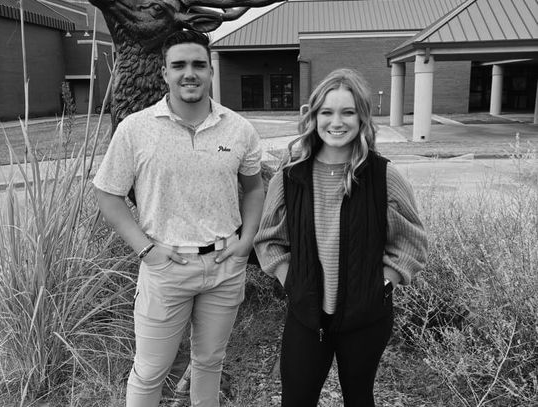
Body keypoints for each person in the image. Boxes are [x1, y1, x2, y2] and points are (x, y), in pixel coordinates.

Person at [93, 30, 264, 407]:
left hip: (224, 267)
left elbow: (253, 189)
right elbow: (108, 193)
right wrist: (146, 250)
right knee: (150, 370)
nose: (190, 73)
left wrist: (246, 240)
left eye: (199, 64)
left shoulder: (238, 129)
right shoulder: (136, 129)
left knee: (210, 362)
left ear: (210, 70)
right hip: (164, 268)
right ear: (165, 73)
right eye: (179, 65)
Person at [254, 68, 428, 406]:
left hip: (366, 318)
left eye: (347, 112)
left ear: (362, 118)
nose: (337, 122)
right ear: (313, 117)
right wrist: (293, 281)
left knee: (359, 398)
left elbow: (412, 241)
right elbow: (268, 240)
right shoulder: (291, 177)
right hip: (306, 317)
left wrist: (383, 283)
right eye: (327, 112)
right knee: (296, 399)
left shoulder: (383, 176)